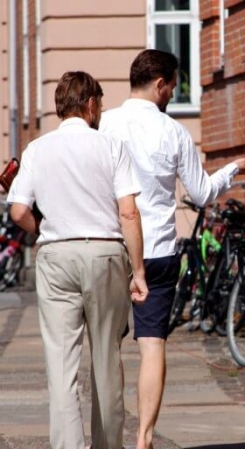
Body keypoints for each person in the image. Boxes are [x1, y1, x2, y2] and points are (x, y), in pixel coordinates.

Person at [99, 48, 245, 449]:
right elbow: (203, 193)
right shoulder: (173, 132)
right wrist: (231, 170)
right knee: (152, 344)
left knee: (106, 347)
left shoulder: (102, 124)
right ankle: (144, 438)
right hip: (156, 250)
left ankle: (109, 436)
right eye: (172, 86)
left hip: (110, 247)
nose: (173, 93)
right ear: (160, 84)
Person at [8, 71, 148, 449]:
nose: (99, 110)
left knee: (61, 366)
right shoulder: (111, 146)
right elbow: (129, 213)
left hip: (56, 255)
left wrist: (43, 227)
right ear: (89, 104)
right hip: (104, 254)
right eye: (99, 103)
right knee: (106, 361)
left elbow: (18, 210)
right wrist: (139, 271)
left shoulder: (37, 149)